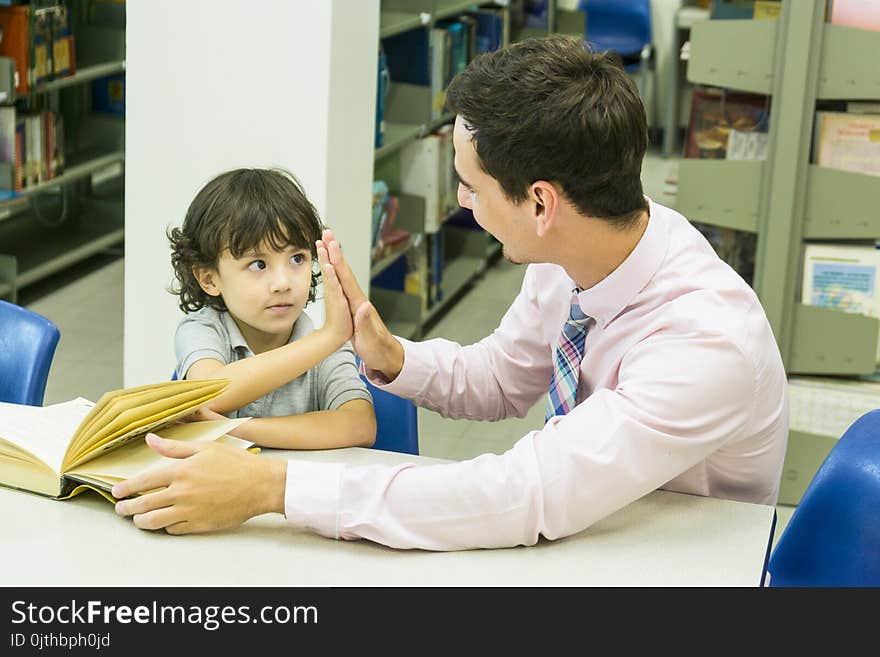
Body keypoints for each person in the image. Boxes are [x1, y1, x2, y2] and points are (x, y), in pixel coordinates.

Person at [114, 36, 788, 547]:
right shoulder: (578, 246)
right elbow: (502, 376)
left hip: (679, 558)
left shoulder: (703, 341)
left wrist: (272, 486)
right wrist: (391, 356)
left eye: (471, 187)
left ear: (541, 202)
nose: (462, 204)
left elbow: (523, 494)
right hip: (602, 524)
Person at [165, 167, 376, 451]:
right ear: (209, 278)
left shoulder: (326, 344)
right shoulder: (204, 328)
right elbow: (209, 393)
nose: (282, 283)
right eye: (258, 264)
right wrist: (328, 337)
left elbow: (361, 426)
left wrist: (238, 429)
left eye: (297, 259)